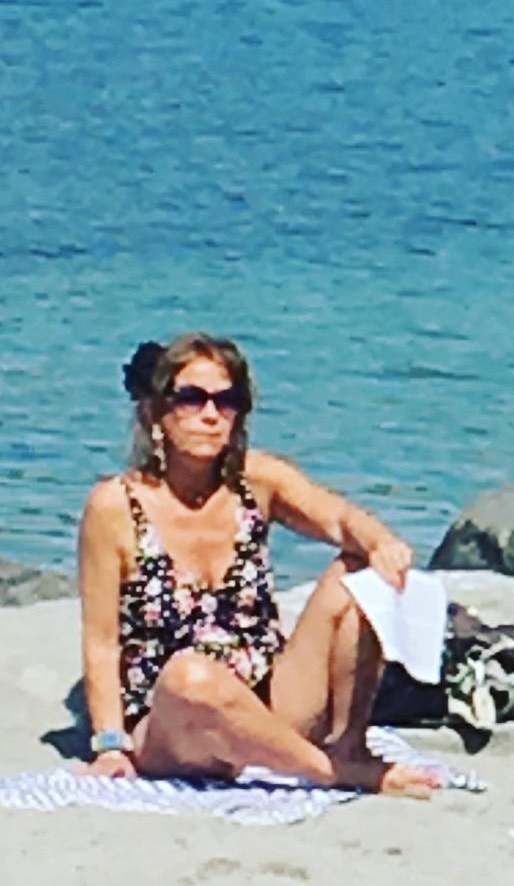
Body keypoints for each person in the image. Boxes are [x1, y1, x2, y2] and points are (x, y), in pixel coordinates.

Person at [76, 333, 439, 798]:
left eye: (227, 401)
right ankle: (336, 772)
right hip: (173, 725)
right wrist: (110, 745)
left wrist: (382, 543)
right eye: (190, 398)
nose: (210, 415)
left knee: (359, 571)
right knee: (193, 675)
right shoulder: (115, 507)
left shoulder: (256, 479)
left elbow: (338, 518)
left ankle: (350, 745)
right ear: (155, 414)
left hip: (267, 702)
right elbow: (102, 643)